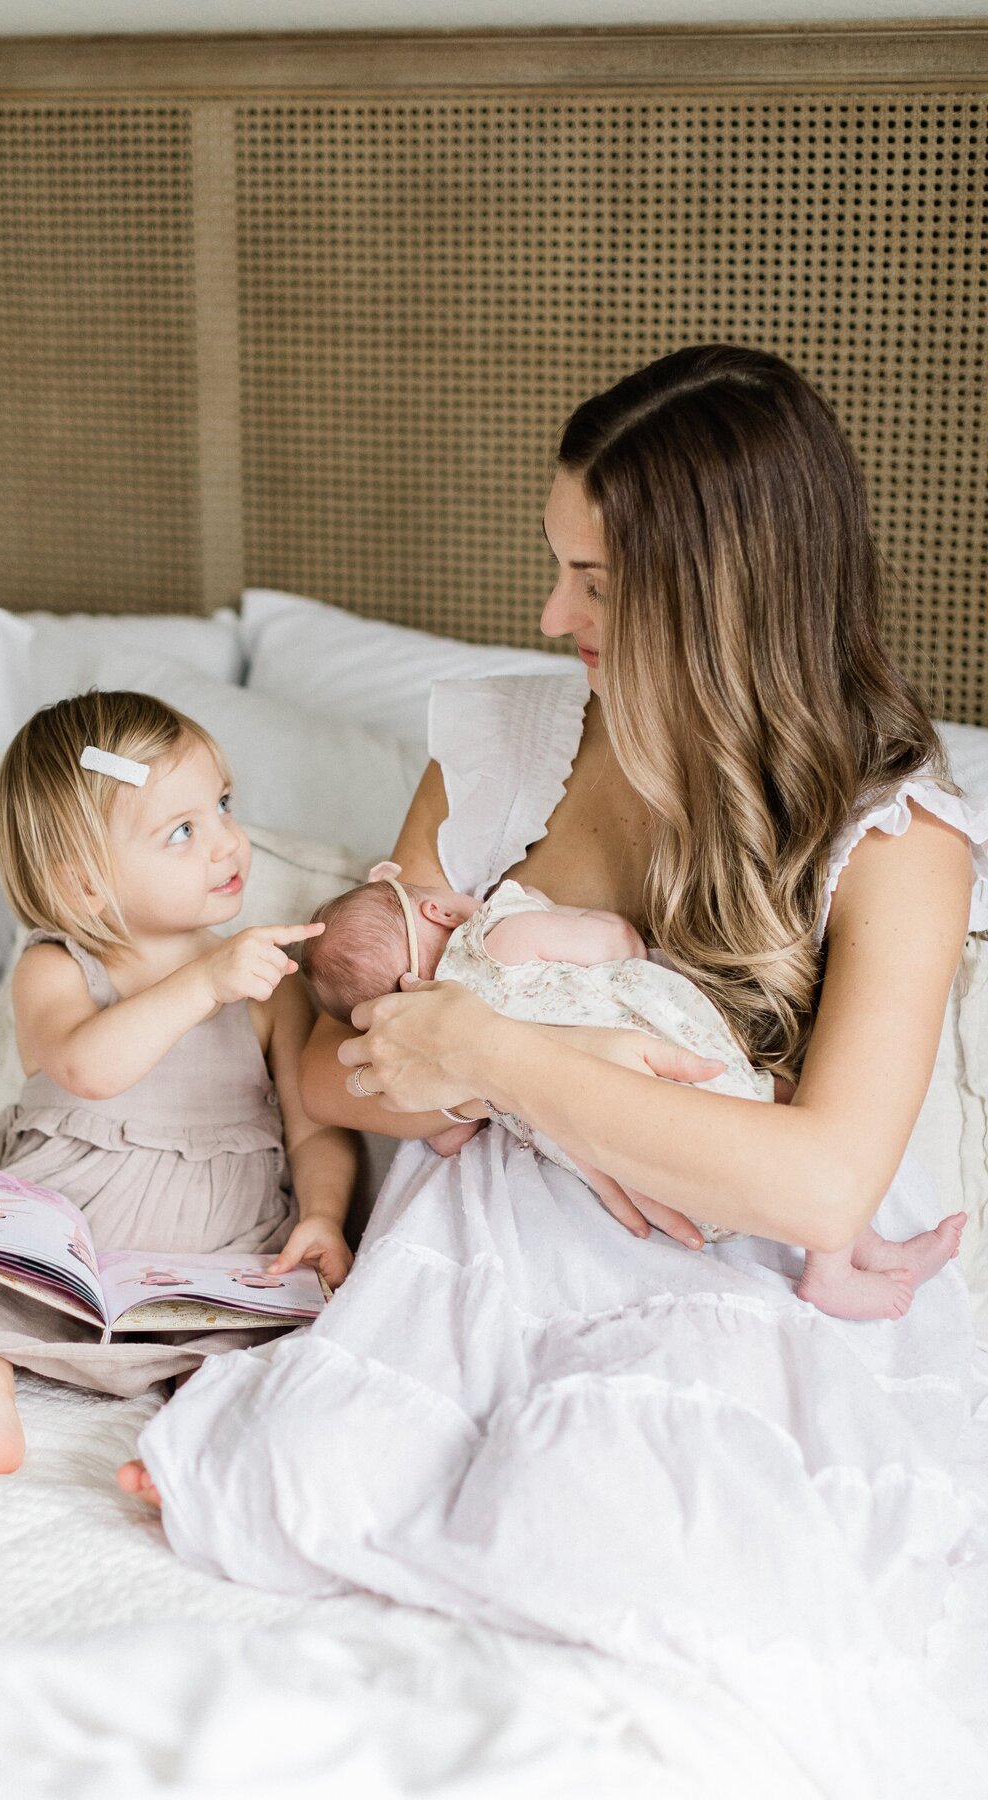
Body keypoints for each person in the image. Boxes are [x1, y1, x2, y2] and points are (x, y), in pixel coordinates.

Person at [116, 351, 988, 1781]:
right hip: (475, 1240)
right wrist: (481, 1061)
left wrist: (499, 1055)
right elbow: (332, 1078)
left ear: (720, 599)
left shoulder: (901, 840)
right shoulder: (504, 751)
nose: (548, 616)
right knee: (313, 1477)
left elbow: (828, 1188)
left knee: (636, 1513)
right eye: (556, 567)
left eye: (595, 582)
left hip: (728, 1268)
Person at [0, 689, 356, 1475]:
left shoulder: (268, 983)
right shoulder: (58, 965)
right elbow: (84, 1066)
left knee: (256, 1333)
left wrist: (326, 1215)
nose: (228, 844)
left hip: (215, 1230)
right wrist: (205, 983)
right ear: (85, 888)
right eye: (182, 831)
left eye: (224, 805)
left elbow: (314, 1123)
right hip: (67, 1215)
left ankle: (204, 1449)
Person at [301, 864, 964, 1318]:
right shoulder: (500, 935)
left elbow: (444, 1133)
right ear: (438, 908)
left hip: (646, 1188)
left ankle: (863, 1249)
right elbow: (618, 939)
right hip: (693, 1099)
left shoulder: (432, 1040)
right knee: (785, 1099)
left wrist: (486, 1085)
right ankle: (839, 1265)